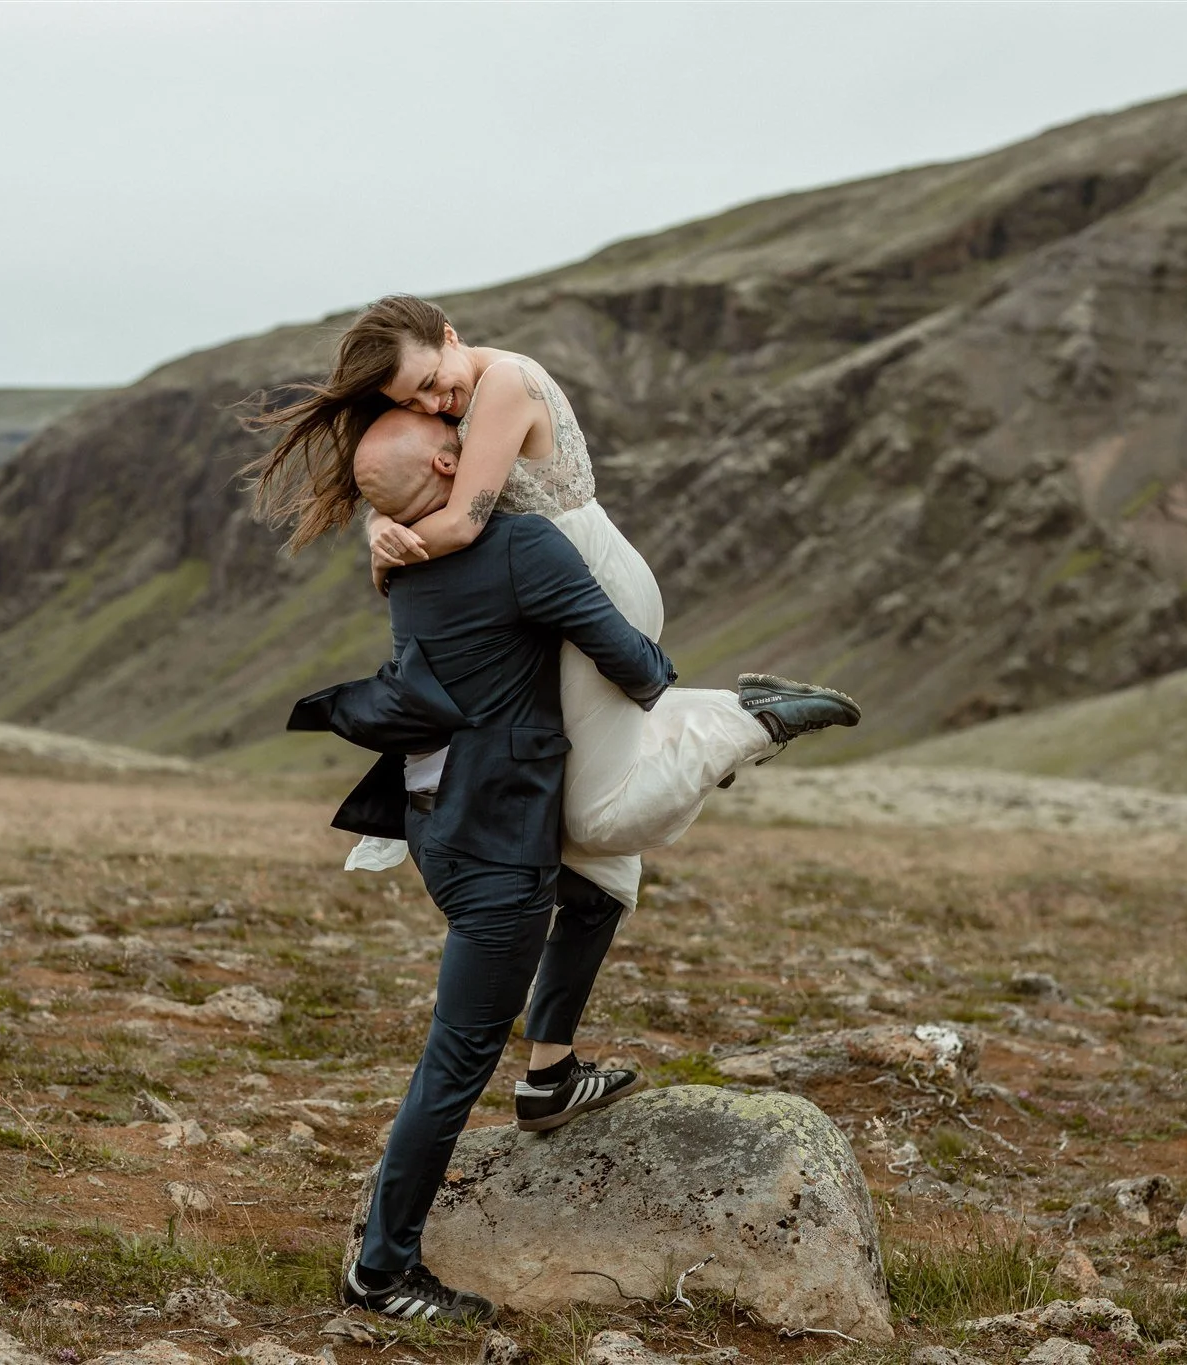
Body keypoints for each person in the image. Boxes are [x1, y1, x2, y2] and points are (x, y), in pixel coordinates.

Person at [248, 295, 861, 912]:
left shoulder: (506, 383)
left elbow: (460, 522)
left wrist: (386, 555)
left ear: (452, 336)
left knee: (594, 820)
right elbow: (409, 478)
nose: (432, 405)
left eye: (433, 383)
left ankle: (747, 719)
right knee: (556, 793)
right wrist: (379, 519)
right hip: (540, 602)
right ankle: (570, 966)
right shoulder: (460, 396)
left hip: (594, 588)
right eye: (411, 401)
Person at [286, 408, 679, 1325]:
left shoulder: (404, 566)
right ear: (442, 461)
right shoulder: (521, 549)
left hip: (442, 822)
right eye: (452, 436)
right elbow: (633, 664)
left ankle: (552, 1068)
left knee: (596, 887)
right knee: (457, 1059)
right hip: (496, 842)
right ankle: (381, 1272)